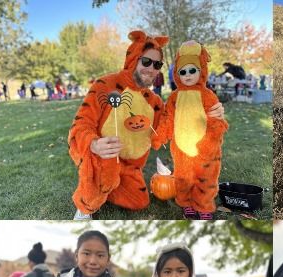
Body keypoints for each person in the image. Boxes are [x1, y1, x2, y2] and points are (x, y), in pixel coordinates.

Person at [69, 30, 226, 220]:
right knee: (104, 171)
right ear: (133, 58)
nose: (151, 69)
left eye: (157, 64)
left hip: (129, 168)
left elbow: (174, 123)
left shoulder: (155, 102)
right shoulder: (105, 85)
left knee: (139, 201)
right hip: (103, 158)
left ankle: (108, 189)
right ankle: (87, 203)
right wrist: (93, 144)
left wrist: (213, 114)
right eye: (146, 62)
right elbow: (80, 125)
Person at [153, 40, 229, 220]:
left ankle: (203, 207)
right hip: (181, 148)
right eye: (183, 71)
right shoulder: (174, 97)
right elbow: (167, 119)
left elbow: (216, 121)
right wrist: (160, 136)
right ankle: (186, 203)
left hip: (204, 148)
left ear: (201, 70)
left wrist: (210, 141)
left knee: (206, 180)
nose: (187, 75)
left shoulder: (207, 95)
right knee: (183, 179)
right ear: (177, 74)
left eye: (192, 70)